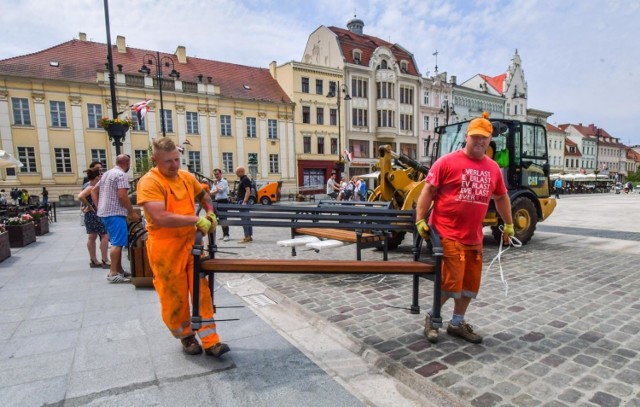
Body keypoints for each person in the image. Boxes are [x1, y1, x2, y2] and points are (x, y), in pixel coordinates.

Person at [415, 112, 515, 344]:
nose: (479, 142)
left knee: (470, 283)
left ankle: (457, 323)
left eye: (484, 138)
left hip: (473, 236)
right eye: (475, 137)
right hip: (446, 232)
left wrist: (509, 224)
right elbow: (428, 191)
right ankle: (433, 318)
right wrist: (420, 219)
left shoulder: (492, 168)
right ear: (467, 137)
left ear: (490, 140)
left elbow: (501, 198)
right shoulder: (447, 162)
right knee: (452, 281)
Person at [137, 137, 230, 358]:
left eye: (177, 159)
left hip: (191, 245)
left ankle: (210, 340)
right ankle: (186, 336)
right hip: (165, 249)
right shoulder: (150, 182)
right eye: (168, 161)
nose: (174, 165)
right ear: (155, 160)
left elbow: (204, 196)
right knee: (174, 297)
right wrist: (194, 220)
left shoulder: (187, 178)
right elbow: (160, 216)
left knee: (202, 292)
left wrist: (209, 211)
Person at [91, 154, 139, 283]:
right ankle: (112, 273)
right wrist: (132, 212)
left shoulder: (107, 173)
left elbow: (93, 191)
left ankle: (120, 271)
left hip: (105, 213)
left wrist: (99, 207)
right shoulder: (121, 175)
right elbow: (123, 196)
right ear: (127, 163)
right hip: (115, 213)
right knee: (117, 243)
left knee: (115, 241)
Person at [77, 168, 110, 269]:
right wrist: (90, 206)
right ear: (97, 177)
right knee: (105, 235)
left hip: (90, 214)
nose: (101, 177)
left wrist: (87, 206)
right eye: (100, 175)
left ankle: (94, 260)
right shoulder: (91, 187)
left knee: (92, 236)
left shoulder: (89, 185)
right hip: (95, 213)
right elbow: (80, 196)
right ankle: (105, 259)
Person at [235, 166, 253, 243]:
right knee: (247, 219)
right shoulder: (243, 179)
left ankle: (247, 236)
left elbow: (248, 191)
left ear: (241, 171)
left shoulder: (245, 179)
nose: (236, 173)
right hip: (242, 201)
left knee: (244, 220)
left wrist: (244, 201)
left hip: (243, 202)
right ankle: (249, 236)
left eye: (237, 171)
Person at [212, 168, 231, 241]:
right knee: (216, 219)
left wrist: (216, 186)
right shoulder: (215, 183)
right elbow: (211, 192)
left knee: (224, 218)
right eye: (215, 174)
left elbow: (220, 191)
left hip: (223, 201)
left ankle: (226, 235)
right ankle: (223, 235)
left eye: (217, 174)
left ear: (221, 174)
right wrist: (216, 189)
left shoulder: (224, 181)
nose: (216, 176)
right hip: (216, 201)